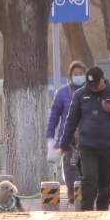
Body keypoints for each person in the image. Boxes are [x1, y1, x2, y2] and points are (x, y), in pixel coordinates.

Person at [59, 66, 110, 211]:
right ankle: (87, 211)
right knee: (89, 179)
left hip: (109, 146)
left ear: (103, 80)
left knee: (106, 182)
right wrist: (63, 144)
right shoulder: (80, 95)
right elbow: (71, 120)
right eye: (89, 85)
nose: (92, 88)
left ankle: (102, 210)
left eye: (95, 85)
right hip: (87, 146)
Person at [46, 61, 87, 204]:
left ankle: (85, 191)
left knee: (86, 166)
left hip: (88, 137)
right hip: (68, 138)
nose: (78, 77)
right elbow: (54, 116)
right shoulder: (62, 93)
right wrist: (50, 136)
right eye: (76, 74)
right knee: (70, 166)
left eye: (81, 74)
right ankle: (72, 192)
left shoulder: (91, 92)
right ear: (70, 76)